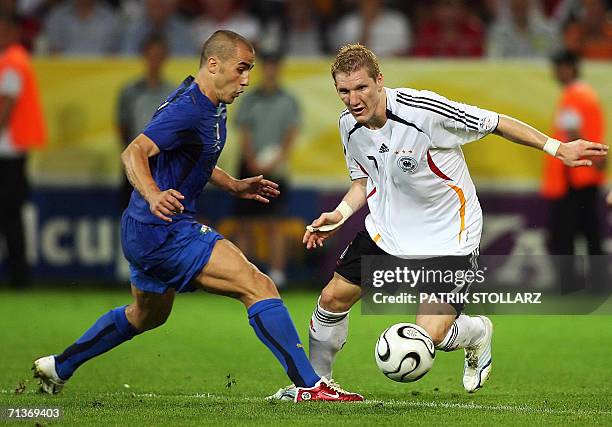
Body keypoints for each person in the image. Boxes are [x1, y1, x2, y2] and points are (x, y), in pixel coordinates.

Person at [32, 30, 362, 403]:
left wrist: (232, 184)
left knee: (146, 315)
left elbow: (196, 156)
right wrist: (154, 194)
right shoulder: (188, 107)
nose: (247, 80)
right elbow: (133, 152)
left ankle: (59, 366)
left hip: (144, 230)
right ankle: (310, 386)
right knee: (258, 285)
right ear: (213, 64)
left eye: (250, 70)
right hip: (165, 229)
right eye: (241, 69)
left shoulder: (211, 104)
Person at [268, 44, 608, 400]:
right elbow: (364, 181)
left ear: (380, 81)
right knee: (331, 300)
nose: (353, 99)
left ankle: (475, 332)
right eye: (344, 91)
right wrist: (338, 215)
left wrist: (557, 148)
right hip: (388, 233)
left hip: (449, 238)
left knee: (432, 335)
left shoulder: (423, 112)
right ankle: (315, 386)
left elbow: (497, 122)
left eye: (362, 87)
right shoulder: (348, 127)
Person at [233, 51, 300, 288]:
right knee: (245, 223)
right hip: (248, 168)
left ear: (278, 68)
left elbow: (291, 134)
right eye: (267, 66)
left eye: (274, 66)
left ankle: (277, 272)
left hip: (276, 170)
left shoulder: (288, 100)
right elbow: (244, 131)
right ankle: (242, 273)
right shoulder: (250, 99)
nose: (271, 70)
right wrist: (251, 160)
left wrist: (276, 161)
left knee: (275, 223)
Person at [542, 50, 607, 293]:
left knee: (564, 234)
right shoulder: (587, 94)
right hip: (587, 175)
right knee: (590, 232)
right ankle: (599, 283)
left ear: (569, 68)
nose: (556, 73)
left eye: (559, 67)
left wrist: (570, 172)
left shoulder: (574, 96)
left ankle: (568, 284)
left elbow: (572, 134)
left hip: (575, 175)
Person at [0, 13, 46, 289]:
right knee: (10, 215)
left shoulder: (14, 62)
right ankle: (18, 275)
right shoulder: (11, 61)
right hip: (10, 152)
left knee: (10, 216)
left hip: (8, 152)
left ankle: (19, 276)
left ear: (16, 32)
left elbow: (5, 109)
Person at [117, 33, 175, 208]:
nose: (155, 60)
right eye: (151, 55)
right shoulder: (130, 92)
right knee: (131, 213)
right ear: (144, 56)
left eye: (159, 56)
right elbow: (122, 126)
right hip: (136, 161)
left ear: (165, 58)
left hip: (164, 166)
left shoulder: (173, 93)